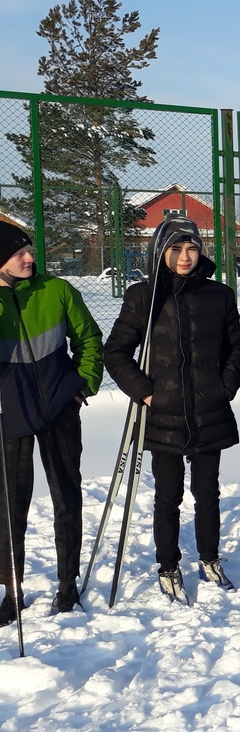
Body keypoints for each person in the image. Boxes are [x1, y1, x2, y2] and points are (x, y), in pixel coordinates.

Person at [104, 216, 240, 601]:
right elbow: (116, 353)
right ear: (160, 251)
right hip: (162, 413)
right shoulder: (144, 296)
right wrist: (147, 394)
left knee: (208, 493)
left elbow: (238, 347)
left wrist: (224, 388)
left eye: (192, 248)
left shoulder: (217, 295)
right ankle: (168, 565)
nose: (185, 256)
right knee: (168, 495)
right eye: (176, 249)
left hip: (209, 409)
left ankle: (210, 558)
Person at [0, 222, 102, 625]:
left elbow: (90, 339)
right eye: (18, 254)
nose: (30, 258)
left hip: (60, 410)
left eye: (30, 249)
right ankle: (12, 591)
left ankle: (67, 584)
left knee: (66, 497)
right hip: (10, 415)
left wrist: (82, 386)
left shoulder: (57, 290)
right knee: (9, 507)